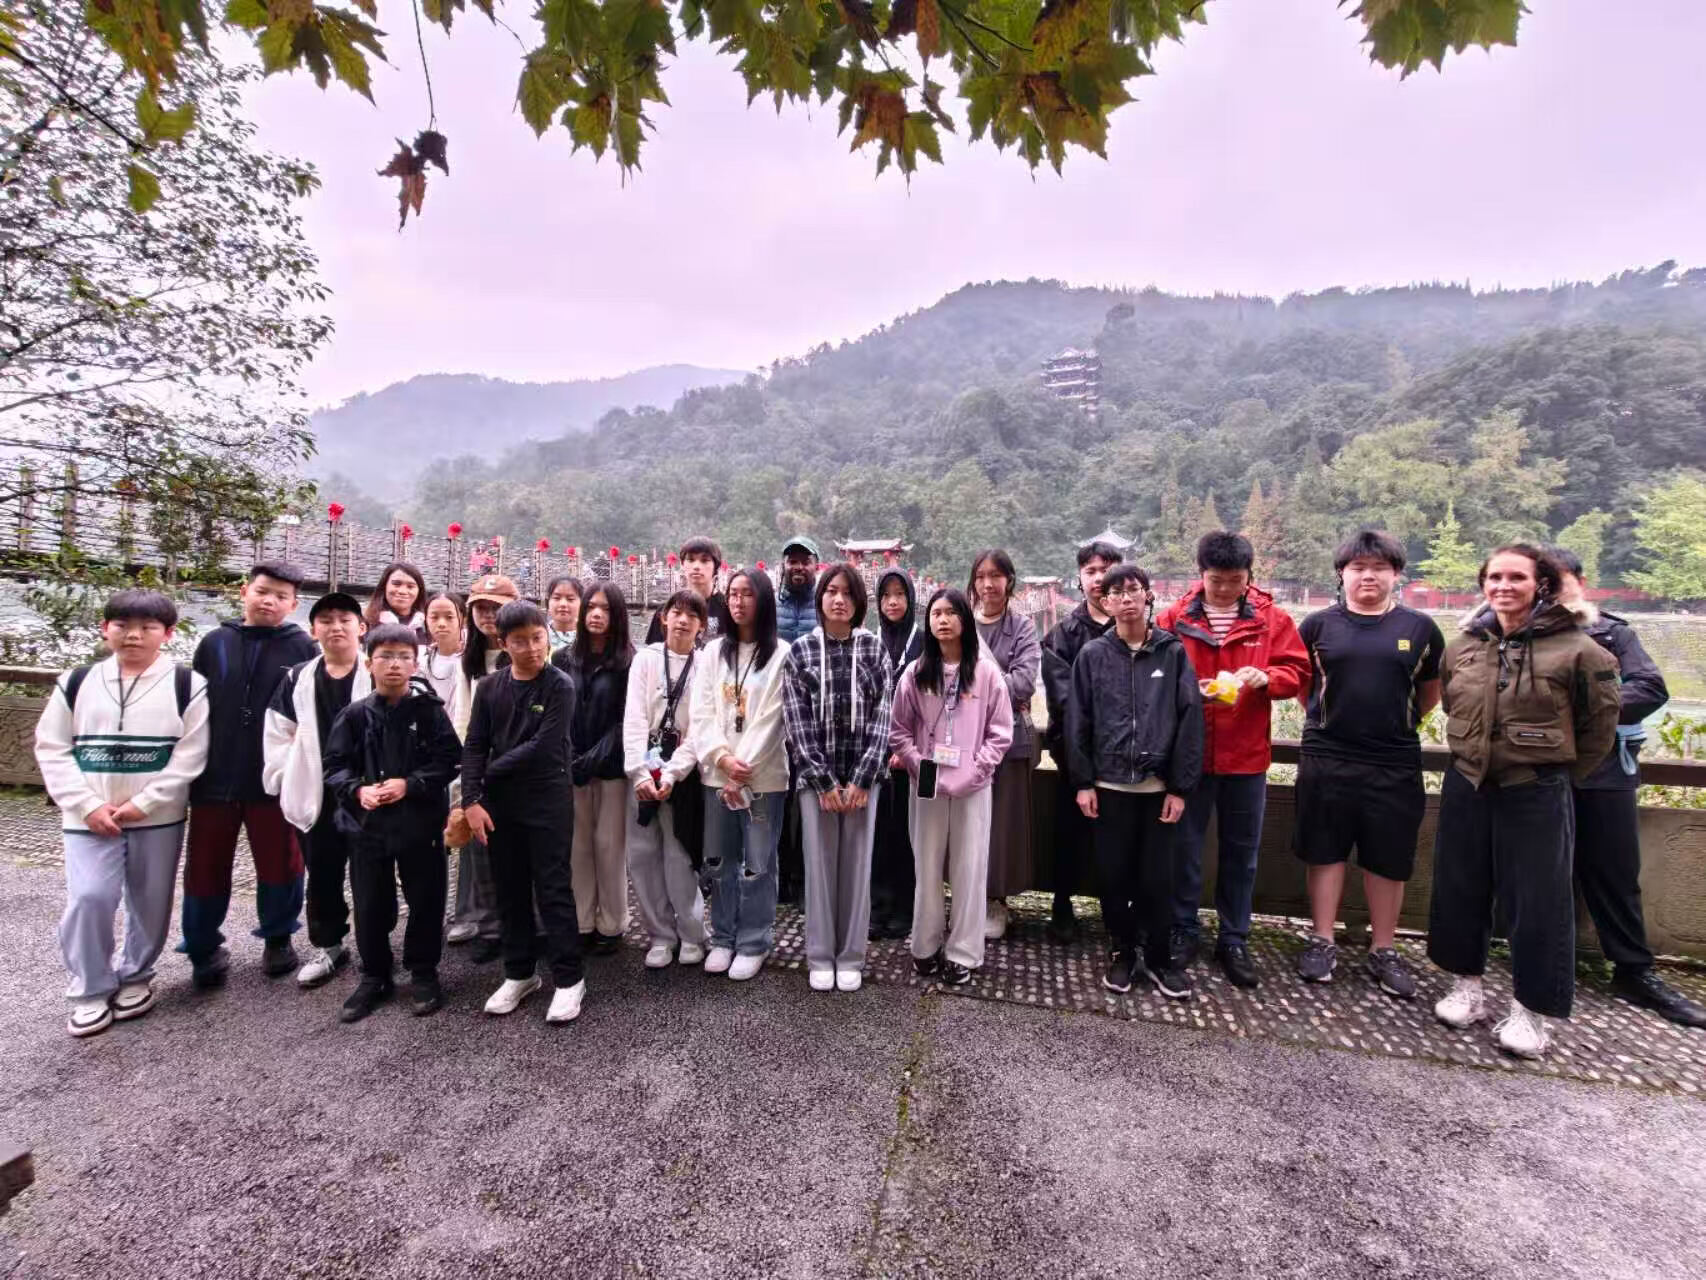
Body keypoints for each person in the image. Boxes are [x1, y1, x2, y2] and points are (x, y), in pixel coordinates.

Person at [1428, 544, 1620, 1059]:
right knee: (1460, 887)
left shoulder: (1579, 650)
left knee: (1538, 901)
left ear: (1542, 585)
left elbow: (1598, 728)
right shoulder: (1463, 646)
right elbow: (1451, 701)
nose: (1504, 586)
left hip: (1535, 788)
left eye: (1517, 577)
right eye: (1495, 577)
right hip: (1468, 781)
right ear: (1483, 584)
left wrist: (1553, 773)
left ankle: (1531, 1009)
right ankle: (1466, 987)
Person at [35, 590, 211, 1037]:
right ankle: (90, 987)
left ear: (167, 634)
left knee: (151, 899)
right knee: (89, 897)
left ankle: (136, 975)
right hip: (88, 817)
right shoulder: (76, 682)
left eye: (147, 627)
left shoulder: (186, 684)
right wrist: (87, 804)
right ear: (105, 629)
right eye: (123, 626)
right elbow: (52, 748)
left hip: (157, 816)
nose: (134, 635)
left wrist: (145, 802)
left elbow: (190, 755)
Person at [1552, 549, 1702, 1027]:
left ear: (1580, 582)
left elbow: (1650, 688)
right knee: (1539, 874)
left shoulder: (1612, 633)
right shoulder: (1521, 634)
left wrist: (1580, 709)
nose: (1551, 591)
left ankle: (1633, 970)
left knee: (1614, 873)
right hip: (1540, 771)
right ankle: (1545, 963)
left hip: (1605, 773)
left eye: (1559, 581)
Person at [1292, 530, 1445, 998]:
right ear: (1342, 574)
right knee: (1325, 850)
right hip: (1327, 755)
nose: (1368, 576)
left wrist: (1395, 724)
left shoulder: (1420, 629)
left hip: (1393, 759)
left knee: (1388, 857)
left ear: (1396, 574)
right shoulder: (1317, 626)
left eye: (1379, 568)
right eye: (1358, 568)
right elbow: (1303, 687)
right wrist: (1328, 720)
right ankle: (1322, 940)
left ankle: (1384, 948)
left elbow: (1429, 692)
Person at [1156, 531, 1308, 989]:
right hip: (1189, 757)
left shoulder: (1271, 619)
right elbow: (1153, 672)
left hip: (1246, 757)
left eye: (1234, 581)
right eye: (1216, 580)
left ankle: (1234, 937)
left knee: (1242, 853)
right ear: (1201, 574)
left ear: (1248, 576)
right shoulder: (1174, 618)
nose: (1224, 589)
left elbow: (1297, 672)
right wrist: (1186, 689)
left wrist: (1267, 677)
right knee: (1183, 849)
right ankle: (1183, 929)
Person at [179, 561, 319, 987]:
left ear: (293, 604)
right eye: (262, 591)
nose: (269, 601)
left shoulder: (302, 648)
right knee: (205, 864)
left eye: (281, 596)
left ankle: (278, 937)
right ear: (245, 592)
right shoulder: (215, 643)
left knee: (281, 861)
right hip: (213, 775)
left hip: (271, 776)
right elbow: (193, 708)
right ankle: (202, 945)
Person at [1067, 565, 1203, 1000]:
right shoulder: (1092, 655)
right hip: (1109, 787)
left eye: (1133, 590)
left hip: (1157, 789)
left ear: (1147, 596)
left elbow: (1190, 720)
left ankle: (1159, 957)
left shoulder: (1171, 652)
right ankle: (1123, 951)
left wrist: (1179, 787)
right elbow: (1077, 721)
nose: (1125, 598)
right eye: (1116, 592)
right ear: (1104, 601)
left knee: (1157, 878)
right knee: (1113, 876)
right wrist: (1083, 781)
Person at [322, 625, 462, 1022]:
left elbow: (449, 760)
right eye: (385, 656)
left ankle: (423, 971)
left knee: (426, 899)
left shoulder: (428, 712)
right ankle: (374, 974)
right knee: (369, 902)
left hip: (419, 823)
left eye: (404, 657)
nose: (395, 664)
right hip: (367, 826)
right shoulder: (354, 715)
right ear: (369, 663)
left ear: (415, 664)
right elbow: (334, 766)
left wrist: (411, 784)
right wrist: (357, 791)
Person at [462, 601, 587, 1024]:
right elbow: (474, 744)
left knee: (553, 887)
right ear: (503, 643)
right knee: (509, 889)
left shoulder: (559, 685)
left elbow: (545, 746)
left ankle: (569, 979)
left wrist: (489, 773)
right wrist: (471, 799)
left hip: (547, 797)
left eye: (538, 638)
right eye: (521, 641)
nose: (532, 648)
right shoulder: (489, 688)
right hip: (501, 804)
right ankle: (519, 972)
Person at [889, 589, 1013, 986]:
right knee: (925, 865)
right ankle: (924, 946)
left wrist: (976, 771)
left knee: (969, 868)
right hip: (926, 778)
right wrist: (916, 762)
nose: (942, 620)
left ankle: (963, 952)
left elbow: (1000, 732)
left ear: (964, 619)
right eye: (936, 613)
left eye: (950, 613)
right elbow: (898, 729)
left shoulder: (986, 674)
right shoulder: (915, 673)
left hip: (973, 782)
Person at [782, 563, 893, 993]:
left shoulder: (874, 649)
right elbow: (797, 723)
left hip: (865, 779)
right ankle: (820, 955)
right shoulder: (801, 652)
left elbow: (883, 717)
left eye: (847, 592)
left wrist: (864, 778)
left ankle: (850, 956)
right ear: (821, 597)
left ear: (858, 601)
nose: (839, 599)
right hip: (817, 782)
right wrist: (823, 781)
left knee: (857, 869)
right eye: (831, 591)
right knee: (820, 868)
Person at [261, 591, 371, 991]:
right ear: (313, 630)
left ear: (362, 627)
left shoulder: (377, 670)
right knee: (322, 874)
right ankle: (329, 946)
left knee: (370, 876)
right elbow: (278, 731)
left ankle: (374, 949)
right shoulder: (298, 678)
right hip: (316, 790)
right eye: (326, 620)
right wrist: (283, 777)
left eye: (345, 619)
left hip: (364, 791)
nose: (335, 627)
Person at [691, 567, 791, 981]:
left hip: (762, 779)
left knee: (758, 864)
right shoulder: (713, 653)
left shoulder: (782, 653)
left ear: (763, 600)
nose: (737, 601)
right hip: (717, 776)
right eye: (732, 593)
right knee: (719, 860)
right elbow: (701, 712)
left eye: (747, 594)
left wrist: (741, 767)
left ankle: (754, 942)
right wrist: (721, 759)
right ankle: (723, 937)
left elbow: (773, 718)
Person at [1040, 540, 1123, 943]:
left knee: (1120, 840)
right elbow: (1064, 701)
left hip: (1124, 761)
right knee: (1068, 834)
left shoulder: (1138, 631)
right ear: (1079, 578)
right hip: (1075, 756)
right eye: (1091, 571)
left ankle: (1118, 912)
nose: (1099, 578)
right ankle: (1062, 904)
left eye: (1107, 570)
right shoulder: (1062, 635)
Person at [623, 590, 709, 968]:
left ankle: (692, 932)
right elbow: (633, 718)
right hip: (643, 767)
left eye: (692, 615)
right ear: (664, 618)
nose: (683, 620)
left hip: (683, 773)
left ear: (701, 626)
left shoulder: (705, 665)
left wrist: (674, 773)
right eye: (676, 612)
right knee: (642, 855)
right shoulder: (645, 659)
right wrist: (639, 772)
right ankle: (660, 935)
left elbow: (701, 726)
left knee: (680, 855)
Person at [554, 580, 634, 953]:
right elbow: (557, 714)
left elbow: (626, 719)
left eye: (605, 608)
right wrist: (571, 758)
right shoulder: (563, 659)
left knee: (609, 846)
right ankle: (582, 920)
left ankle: (612, 923)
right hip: (571, 767)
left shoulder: (629, 662)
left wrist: (594, 758)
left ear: (617, 615)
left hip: (611, 767)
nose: (596, 614)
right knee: (577, 846)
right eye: (591, 607)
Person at [967, 549, 1042, 941]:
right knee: (965, 821)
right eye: (981, 576)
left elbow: (1025, 683)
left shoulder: (1022, 628)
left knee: (1002, 824)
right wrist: (996, 687)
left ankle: (996, 900)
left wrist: (976, 687)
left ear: (1009, 580)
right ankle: (968, 896)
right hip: (964, 740)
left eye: (995, 575)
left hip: (1008, 740)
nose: (988, 584)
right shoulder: (962, 621)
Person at [445, 574, 517, 958]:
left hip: (516, 765)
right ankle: (490, 927)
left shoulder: (522, 652)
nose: (488, 615)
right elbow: (463, 719)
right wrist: (466, 774)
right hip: (480, 762)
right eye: (481, 608)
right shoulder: (469, 661)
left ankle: (521, 924)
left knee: (517, 849)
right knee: (481, 846)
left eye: (496, 608)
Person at [870, 568, 925, 941]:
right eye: (886, 595)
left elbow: (931, 702)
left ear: (910, 599)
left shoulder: (923, 642)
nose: (893, 602)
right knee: (877, 835)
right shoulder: (870, 641)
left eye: (899, 594)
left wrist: (906, 750)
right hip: (875, 755)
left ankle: (906, 908)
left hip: (911, 757)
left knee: (908, 835)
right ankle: (877, 907)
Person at [775, 535, 820, 905]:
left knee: (808, 798)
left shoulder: (824, 605)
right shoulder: (771, 608)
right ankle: (780, 876)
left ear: (815, 565)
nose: (799, 567)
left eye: (805, 561)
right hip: (775, 717)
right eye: (793, 561)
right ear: (784, 565)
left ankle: (805, 878)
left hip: (813, 720)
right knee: (777, 797)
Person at [645, 538, 725, 645]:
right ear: (682, 564)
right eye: (691, 560)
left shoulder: (728, 608)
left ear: (716, 566)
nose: (696, 566)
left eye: (704, 560)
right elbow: (653, 651)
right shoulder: (667, 610)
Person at [420, 591, 466, 711]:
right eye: (434, 617)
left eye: (449, 617)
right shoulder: (422, 662)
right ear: (426, 620)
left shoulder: (473, 657)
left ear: (463, 619)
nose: (441, 624)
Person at [365, 562, 429, 638]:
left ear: (419, 591)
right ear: (384, 586)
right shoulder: (365, 625)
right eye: (396, 584)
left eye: (410, 586)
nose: (402, 591)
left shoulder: (428, 626)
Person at [544, 576, 582, 652]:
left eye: (570, 599)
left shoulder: (589, 635)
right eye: (557, 598)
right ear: (548, 602)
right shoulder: (539, 635)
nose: (563, 604)